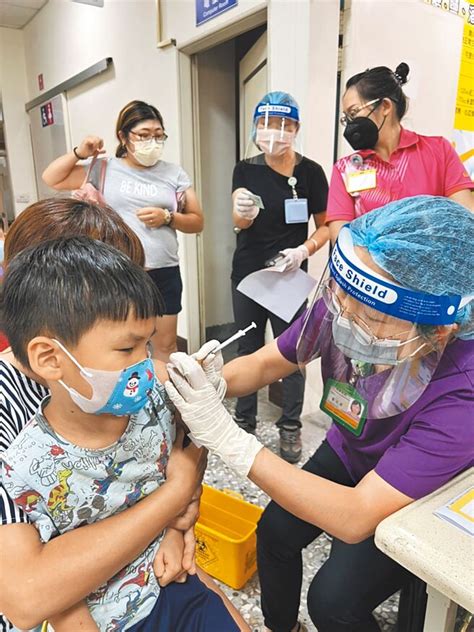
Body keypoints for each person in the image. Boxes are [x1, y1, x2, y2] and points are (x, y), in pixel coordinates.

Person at [165, 195, 474, 632]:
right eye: (344, 298)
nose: (343, 318)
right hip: (351, 447)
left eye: (370, 317)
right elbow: (270, 361)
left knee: (332, 602)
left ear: (439, 330)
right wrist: (215, 380)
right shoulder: (349, 300)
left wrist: (233, 442)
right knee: (274, 532)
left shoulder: (463, 390)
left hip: (409, 492)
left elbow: (355, 517)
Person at [0, 199, 245, 632]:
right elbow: (32, 596)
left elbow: (178, 444)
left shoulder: (130, 388)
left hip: (156, 576)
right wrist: (175, 493)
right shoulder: (22, 452)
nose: (144, 365)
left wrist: (178, 520)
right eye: (125, 345)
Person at [42, 100, 204, 361]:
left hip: (164, 269)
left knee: (166, 345)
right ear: (123, 136)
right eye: (143, 135)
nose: (152, 142)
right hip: (119, 271)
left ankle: (161, 398)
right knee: (122, 344)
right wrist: (79, 153)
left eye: (158, 135)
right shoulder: (104, 168)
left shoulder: (174, 173)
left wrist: (168, 217)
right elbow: (52, 178)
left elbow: (197, 221)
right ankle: (132, 398)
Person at [231, 91, 329, 462]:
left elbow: (327, 227)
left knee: (292, 354)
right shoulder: (246, 169)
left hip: (289, 277)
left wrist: (304, 250)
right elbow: (238, 222)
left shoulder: (311, 173)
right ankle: (243, 425)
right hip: (248, 274)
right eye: (267, 124)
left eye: (284, 125)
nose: (275, 132)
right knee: (248, 349)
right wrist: (243, 211)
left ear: (296, 129)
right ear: (256, 127)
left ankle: (290, 427)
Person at [327, 63, 474, 243]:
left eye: (354, 112)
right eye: (347, 118)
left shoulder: (438, 151)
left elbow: (466, 218)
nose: (351, 123)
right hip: (367, 270)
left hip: (432, 268)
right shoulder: (346, 168)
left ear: (386, 106)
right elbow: (341, 239)